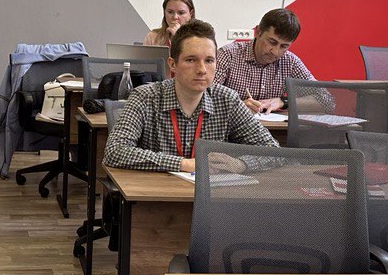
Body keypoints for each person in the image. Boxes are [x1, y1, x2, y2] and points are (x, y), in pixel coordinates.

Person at [105, 20, 278, 172]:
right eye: (191, 60)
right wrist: (184, 164)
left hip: (212, 195)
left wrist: (242, 164)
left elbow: (273, 150)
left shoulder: (228, 100)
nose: (202, 69)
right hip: (156, 195)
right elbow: (114, 151)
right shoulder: (144, 97)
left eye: (209, 60)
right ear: (173, 64)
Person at [214, 8, 317, 113]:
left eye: (284, 46)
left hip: (271, 124)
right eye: (272, 42)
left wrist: (284, 102)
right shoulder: (228, 55)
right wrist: (237, 107)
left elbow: (324, 100)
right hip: (233, 122)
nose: (275, 52)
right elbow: (205, 97)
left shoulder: (290, 62)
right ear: (258, 32)